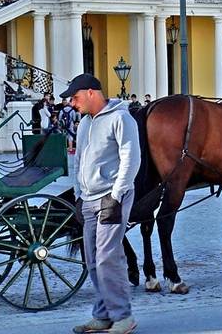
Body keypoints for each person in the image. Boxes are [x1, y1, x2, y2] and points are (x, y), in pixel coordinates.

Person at [62, 73, 140, 334]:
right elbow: (79, 158)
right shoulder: (85, 123)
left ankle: (123, 317)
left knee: (108, 257)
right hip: (88, 199)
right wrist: (78, 193)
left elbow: (131, 158)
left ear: (91, 93)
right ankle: (103, 315)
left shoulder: (121, 118)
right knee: (93, 260)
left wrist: (116, 194)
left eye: (75, 97)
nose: (73, 103)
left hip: (112, 197)